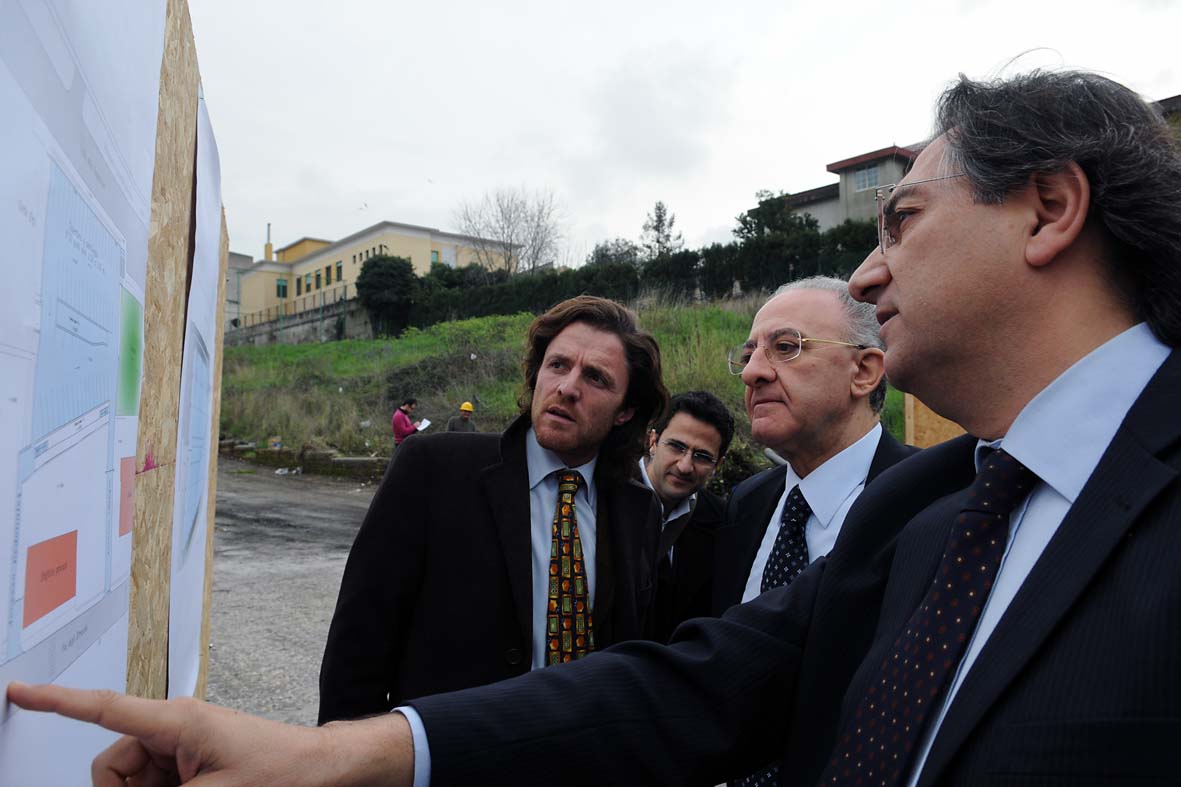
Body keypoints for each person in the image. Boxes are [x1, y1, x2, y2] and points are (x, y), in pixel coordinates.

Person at [11, 68, 1181, 787]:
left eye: (903, 219)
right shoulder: (936, 512)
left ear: (1047, 210)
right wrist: (339, 756)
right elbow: (684, 689)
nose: (869, 271)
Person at [317, 295, 667, 724]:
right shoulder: (433, 469)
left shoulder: (638, 511)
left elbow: (629, 659)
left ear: (625, 411)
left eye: (595, 377)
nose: (568, 387)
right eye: (557, 365)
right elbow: (359, 644)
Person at [714, 276, 915, 785]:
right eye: (749, 353)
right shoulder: (747, 503)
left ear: (865, 371)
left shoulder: (933, 503)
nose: (753, 372)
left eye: (786, 347)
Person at [640, 391, 734, 641]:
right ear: (653, 441)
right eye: (677, 447)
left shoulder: (722, 522)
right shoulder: (602, 495)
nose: (684, 466)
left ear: (718, 465)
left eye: (702, 457)